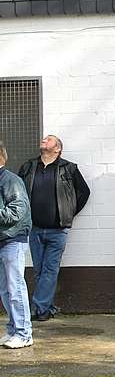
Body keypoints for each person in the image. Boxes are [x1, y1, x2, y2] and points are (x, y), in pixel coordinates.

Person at [18, 135, 90, 321]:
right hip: (34, 228)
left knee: (50, 269)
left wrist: (69, 211)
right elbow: (18, 192)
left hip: (58, 230)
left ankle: (38, 309)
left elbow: (84, 191)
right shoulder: (28, 167)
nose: (44, 140)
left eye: (49, 139)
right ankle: (47, 307)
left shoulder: (68, 168)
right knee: (40, 270)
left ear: (57, 149)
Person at [0, 141, 34, 349]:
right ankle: (13, 330)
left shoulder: (11, 181)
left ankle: (24, 333)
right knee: (5, 290)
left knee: (15, 287)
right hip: (3, 240)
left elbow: (17, 213)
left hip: (12, 241)